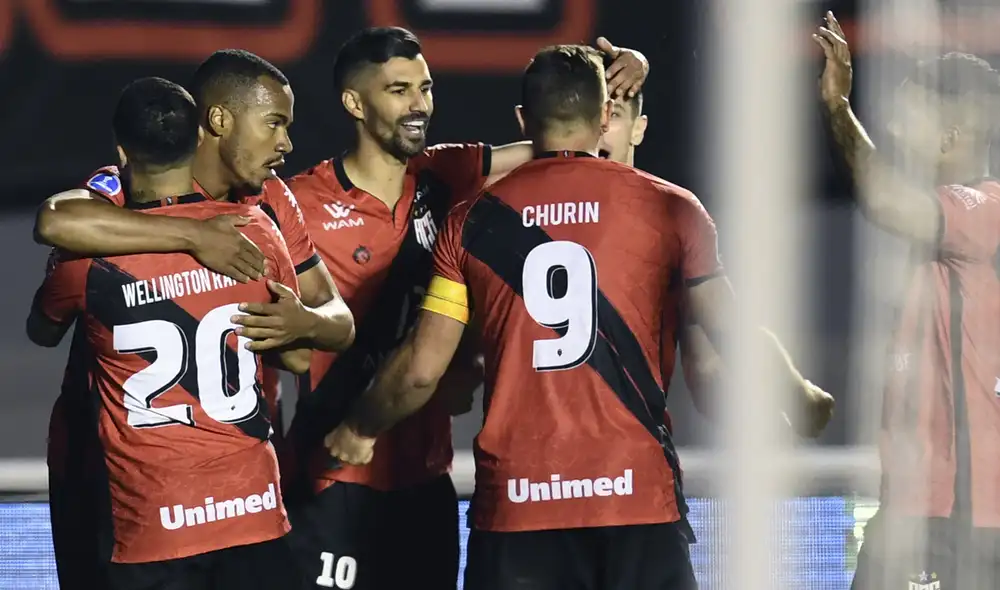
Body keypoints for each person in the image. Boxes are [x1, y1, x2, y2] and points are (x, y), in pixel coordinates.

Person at [325, 44, 834, 590]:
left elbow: (422, 369)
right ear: (605, 116)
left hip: (519, 510)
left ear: (523, 121)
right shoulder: (672, 209)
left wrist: (358, 428)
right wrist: (799, 396)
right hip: (636, 505)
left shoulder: (470, 222)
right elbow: (731, 332)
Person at [278, 27, 650, 590]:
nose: (419, 104)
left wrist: (626, 66)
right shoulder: (295, 204)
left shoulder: (447, 174)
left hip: (425, 480)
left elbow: (563, 137)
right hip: (333, 476)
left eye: (425, 88)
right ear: (354, 102)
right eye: (399, 90)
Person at [26, 76, 309, 590]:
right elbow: (298, 358)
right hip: (252, 510)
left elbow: (42, 330)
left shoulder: (87, 257)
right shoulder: (255, 231)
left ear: (121, 152)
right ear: (201, 137)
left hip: (151, 524)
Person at [815, 12, 1000, 590]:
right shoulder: (939, 229)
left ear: (951, 136)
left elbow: (883, 198)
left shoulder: (985, 209)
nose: (893, 128)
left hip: (961, 516)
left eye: (908, 117)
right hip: (918, 507)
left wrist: (838, 108)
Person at [596, 59, 724, 418]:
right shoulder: (519, 210)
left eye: (614, 114)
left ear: (639, 129)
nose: (600, 127)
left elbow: (706, 368)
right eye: (592, 113)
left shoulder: (673, 218)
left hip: (633, 445)